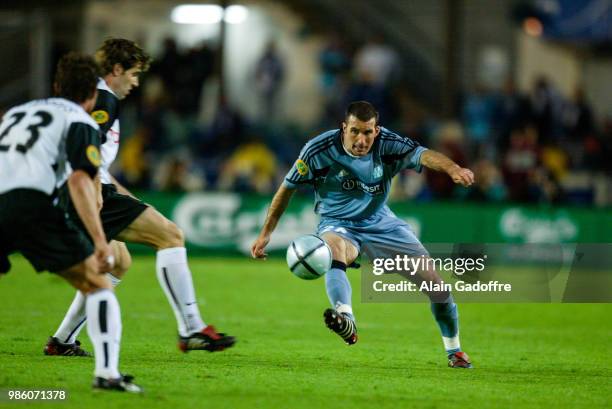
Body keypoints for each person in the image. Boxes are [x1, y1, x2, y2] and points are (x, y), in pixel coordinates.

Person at [45, 38, 235, 357]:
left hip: (75, 189)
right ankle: (190, 326)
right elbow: (83, 156)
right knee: (171, 236)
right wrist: (92, 195)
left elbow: (95, 162)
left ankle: (62, 341)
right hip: (82, 192)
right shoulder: (103, 99)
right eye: (133, 74)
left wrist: (130, 199)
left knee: (119, 261)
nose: (135, 83)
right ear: (116, 70)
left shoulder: (87, 97)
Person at [251, 101, 475, 368]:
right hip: (337, 223)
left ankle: (455, 351)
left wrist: (453, 169)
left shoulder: (388, 144)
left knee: (436, 286)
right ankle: (346, 318)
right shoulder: (317, 151)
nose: (361, 139)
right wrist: (266, 232)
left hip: (381, 223)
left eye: (368, 132)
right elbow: (286, 188)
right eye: (355, 131)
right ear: (344, 128)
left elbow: (423, 155)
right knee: (335, 251)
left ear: (376, 131)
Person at [0, 52, 141, 391]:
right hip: (34, 206)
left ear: (56, 85)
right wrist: (99, 240)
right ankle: (107, 375)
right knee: (99, 285)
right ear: (92, 95)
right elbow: (81, 181)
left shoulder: (17, 113)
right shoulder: (81, 121)